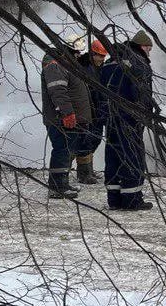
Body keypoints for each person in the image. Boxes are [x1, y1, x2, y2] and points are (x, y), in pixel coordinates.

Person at [100, 29, 155, 210]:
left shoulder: (109, 63)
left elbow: (99, 92)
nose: (149, 52)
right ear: (141, 46)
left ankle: (114, 200)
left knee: (113, 155)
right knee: (132, 155)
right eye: (148, 48)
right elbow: (141, 93)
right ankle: (132, 200)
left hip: (111, 118)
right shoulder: (138, 63)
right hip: (130, 118)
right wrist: (144, 115)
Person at [40, 37, 96, 199]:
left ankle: (62, 183)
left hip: (66, 117)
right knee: (62, 150)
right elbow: (58, 91)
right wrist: (67, 113)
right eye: (76, 52)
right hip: (60, 118)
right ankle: (57, 187)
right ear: (69, 49)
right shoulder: (55, 64)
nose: (78, 55)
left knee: (66, 150)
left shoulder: (64, 63)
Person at [72, 37, 109, 185]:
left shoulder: (100, 68)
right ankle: (83, 173)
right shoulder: (84, 67)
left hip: (99, 110)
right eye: (100, 55)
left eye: (103, 56)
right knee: (85, 141)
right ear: (93, 53)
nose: (102, 58)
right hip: (87, 110)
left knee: (96, 140)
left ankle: (89, 170)